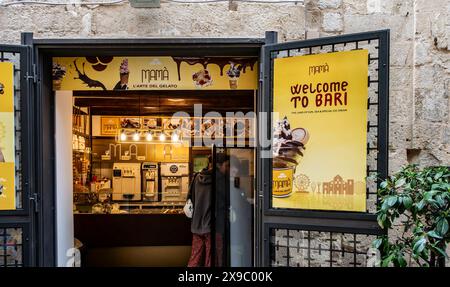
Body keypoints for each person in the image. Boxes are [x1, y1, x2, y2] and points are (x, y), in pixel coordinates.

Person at [187, 155, 213, 267]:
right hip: (210, 226)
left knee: (195, 257)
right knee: (210, 260)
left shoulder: (197, 177)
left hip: (196, 225)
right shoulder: (218, 180)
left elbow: (189, 198)